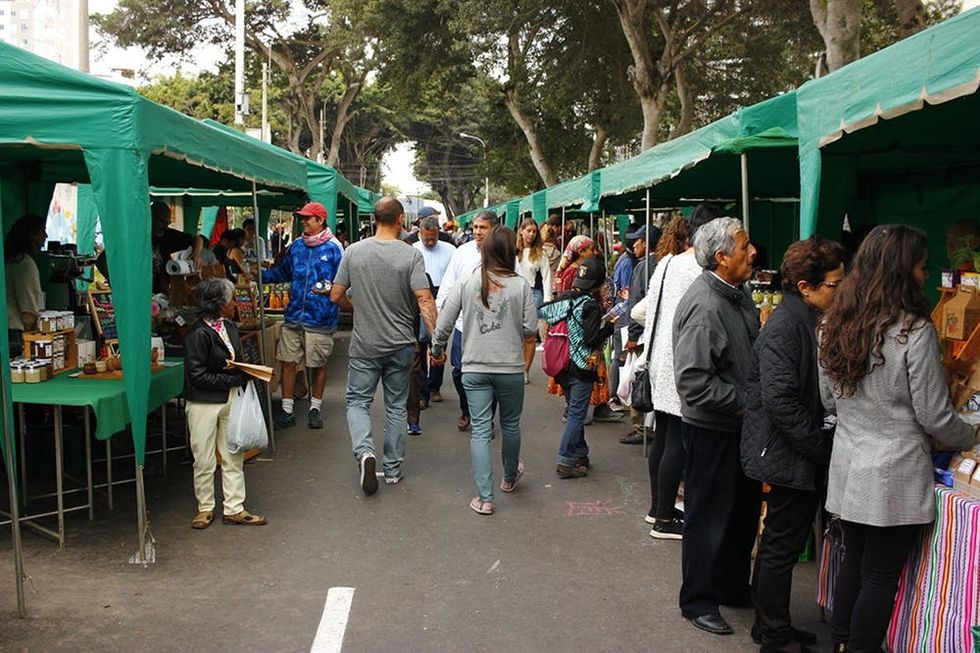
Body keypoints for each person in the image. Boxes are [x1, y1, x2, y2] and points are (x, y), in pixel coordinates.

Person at [818, 225, 980, 653]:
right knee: (878, 575)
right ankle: (859, 648)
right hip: (893, 471)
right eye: (922, 268)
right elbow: (935, 415)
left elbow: (827, 399)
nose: (926, 276)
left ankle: (841, 642)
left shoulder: (834, 323)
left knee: (855, 562)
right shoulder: (913, 332)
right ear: (901, 271)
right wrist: (972, 435)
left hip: (850, 464)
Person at [741, 236, 845, 653]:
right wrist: (819, 445)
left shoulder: (801, 320)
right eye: (834, 284)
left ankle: (769, 625)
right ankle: (773, 633)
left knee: (778, 543)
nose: (840, 291)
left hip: (791, 450)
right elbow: (781, 401)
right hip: (787, 453)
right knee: (781, 545)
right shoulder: (787, 326)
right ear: (806, 286)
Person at [672, 216, 760, 636]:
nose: (753, 251)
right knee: (708, 517)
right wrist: (747, 402)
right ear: (722, 257)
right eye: (745, 246)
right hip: (712, 428)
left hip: (737, 427)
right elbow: (692, 383)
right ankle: (698, 600)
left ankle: (730, 587)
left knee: (740, 513)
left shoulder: (735, 294)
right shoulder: (707, 305)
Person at [330, 197, 436, 495]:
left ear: (374, 219)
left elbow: (336, 295)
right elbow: (424, 299)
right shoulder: (411, 255)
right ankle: (392, 468)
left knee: (358, 402)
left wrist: (358, 305)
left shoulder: (353, 252)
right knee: (396, 406)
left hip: (365, 344)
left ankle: (365, 452)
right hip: (401, 344)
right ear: (400, 219)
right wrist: (436, 341)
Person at [431, 225, 537, 514]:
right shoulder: (521, 285)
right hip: (510, 368)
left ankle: (485, 498)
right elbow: (529, 328)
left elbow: (444, 323)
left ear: (486, 250)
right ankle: (509, 478)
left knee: (480, 430)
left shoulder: (467, 281)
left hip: (475, 368)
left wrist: (437, 349)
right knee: (511, 424)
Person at [635, 215, 700, 539]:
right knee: (674, 440)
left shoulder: (665, 264)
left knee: (663, 436)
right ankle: (663, 517)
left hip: (657, 359)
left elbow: (642, 309)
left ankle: (656, 508)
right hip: (679, 358)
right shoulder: (694, 268)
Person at [183, 278, 266, 529]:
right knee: (204, 458)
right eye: (230, 300)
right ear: (219, 304)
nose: (234, 305)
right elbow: (196, 375)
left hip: (228, 397)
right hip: (204, 403)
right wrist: (233, 378)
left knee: (233, 454)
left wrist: (240, 373)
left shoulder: (228, 327)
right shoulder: (197, 334)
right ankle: (205, 507)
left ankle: (234, 507)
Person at [261, 202, 343, 430]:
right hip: (294, 315)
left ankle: (315, 408)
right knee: (288, 362)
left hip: (321, 318)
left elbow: (345, 282)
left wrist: (331, 291)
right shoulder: (296, 246)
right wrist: (260, 276)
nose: (304, 222)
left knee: (318, 364)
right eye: (303, 218)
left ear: (320, 220)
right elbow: (282, 272)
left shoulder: (335, 248)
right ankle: (287, 411)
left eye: (308, 218)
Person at [539, 258, 612, 479]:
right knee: (576, 416)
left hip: (561, 366)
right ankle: (566, 460)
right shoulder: (590, 305)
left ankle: (580, 454)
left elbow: (542, 312)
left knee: (574, 410)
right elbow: (591, 339)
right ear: (598, 284)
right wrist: (607, 328)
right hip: (581, 367)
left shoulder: (565, 300)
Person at [437, 211, 501, 431]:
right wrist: (440, 314)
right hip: (463, 325)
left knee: (490, 375)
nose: (477, 232)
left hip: (494, 328)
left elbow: (517, 284)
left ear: (493, 229)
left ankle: (485, 419)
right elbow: (448, 285)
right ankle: (467, 408)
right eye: (475, 227)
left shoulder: (506, 254)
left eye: (482, 227)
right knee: (458, 371)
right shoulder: (461, 253)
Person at [407, 214, 456, 434]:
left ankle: (435, 385)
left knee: (438, 345)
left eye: (433, 238)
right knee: (418, 349)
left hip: (442, 298)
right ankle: (422, 392)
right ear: (420, 233)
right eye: (426, 238)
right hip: (418, 298)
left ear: (438, 233)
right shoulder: (412, 249)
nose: (429, 242)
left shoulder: (450, 249)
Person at [516, 217, 553, 381]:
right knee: (514, 332)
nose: (531, 234)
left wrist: (547, 299)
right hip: (514, 293)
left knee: (529, 333)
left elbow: (546, 276)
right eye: (528, 230)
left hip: (533, 293)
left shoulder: (540, 253)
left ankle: (525, 369)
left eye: (533, 231)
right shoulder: (513, 251)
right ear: (521, 231)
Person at [5, 214, 46, 357]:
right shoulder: (24, 263)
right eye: (42, 231)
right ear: (32, 235)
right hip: (16, 333)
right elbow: (29, 312)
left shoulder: (10, 260)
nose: (45, 236)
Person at [150, 201, 203, 293]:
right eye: (162, 222)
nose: (165, 227)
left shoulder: (167, 235)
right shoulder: (137, 237)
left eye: (168, 223)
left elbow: (197, 239)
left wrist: (196, 254)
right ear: (151, 218)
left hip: (161, 292)